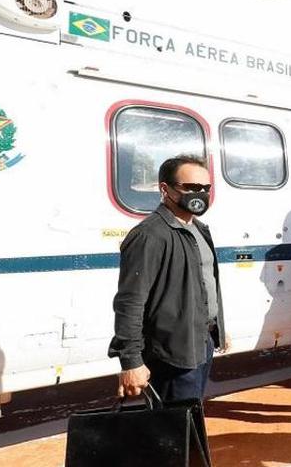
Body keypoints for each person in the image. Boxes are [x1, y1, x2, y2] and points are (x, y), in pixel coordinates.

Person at [109, 155, 225, 403]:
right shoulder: (149, 235)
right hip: (172, 352)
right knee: (173, 429)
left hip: (201, 342)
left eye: (205, 188)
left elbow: (204, 284)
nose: (200, 194)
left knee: (190, 421)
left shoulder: (200, 230)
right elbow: (130, 301)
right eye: (191, 188)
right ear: (165, 189)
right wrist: (131, 361)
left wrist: (217, 327)